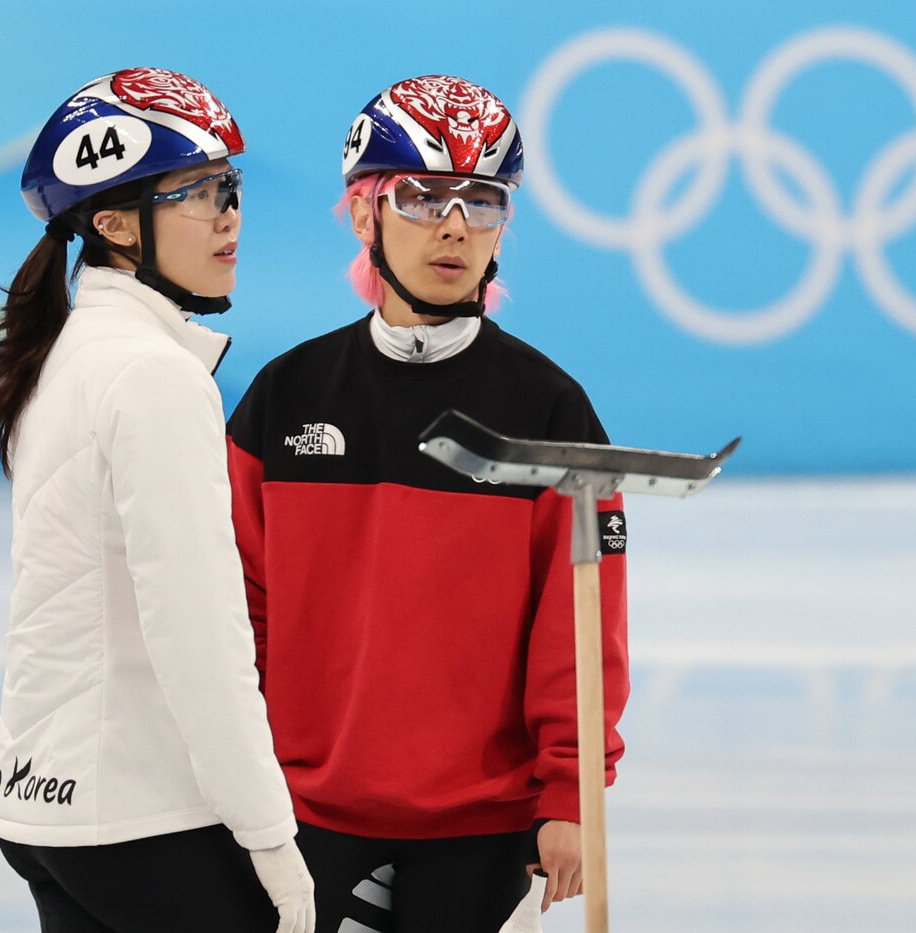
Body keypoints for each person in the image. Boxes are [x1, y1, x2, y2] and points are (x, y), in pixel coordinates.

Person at [225, 74, 629, 932]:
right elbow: (237, 607)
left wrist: (571, 790)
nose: (454, 225)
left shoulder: (550, 410)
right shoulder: (285, 395)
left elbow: (583, 623)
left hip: (485, 828)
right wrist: (240, 775)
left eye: (483, 200)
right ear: (365, 213)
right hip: (304, 816)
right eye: (423, 195)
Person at [0, 68, 315, 932]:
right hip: (138, 817)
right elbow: (198, 633)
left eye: (231, 187)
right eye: (197, 192)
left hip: (44, 803)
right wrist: (272, 837)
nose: (229, 214)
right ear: (114, 225)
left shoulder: (72, 350)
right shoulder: (154, 375)